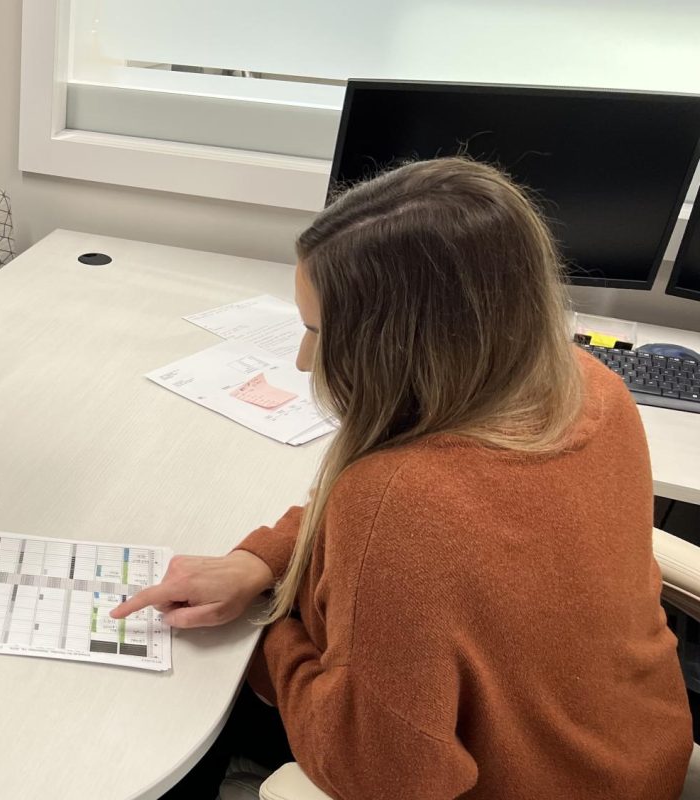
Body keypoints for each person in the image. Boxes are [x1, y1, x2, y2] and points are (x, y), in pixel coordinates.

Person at [113, 158, 692, 799]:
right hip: (633, 759)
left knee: (180, 712)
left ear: (400, 344)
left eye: (317, 332)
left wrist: (264, 628)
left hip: (515, 781)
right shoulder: (593, 387)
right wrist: (263, 560)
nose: (306, 361)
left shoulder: (401, 499)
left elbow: (383, 777)